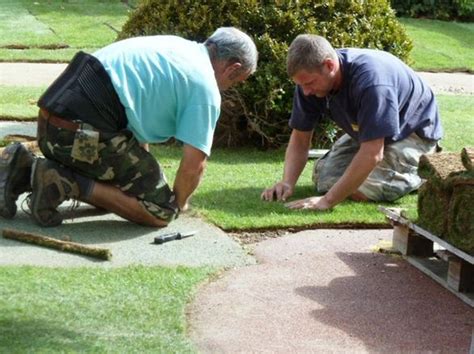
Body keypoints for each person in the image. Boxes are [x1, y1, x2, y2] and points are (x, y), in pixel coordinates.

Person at [0, 27, 258, 227]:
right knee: (160, 211)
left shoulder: (174, 46)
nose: (231, 87)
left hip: (51, 126)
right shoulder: (204, 87)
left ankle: (22, 165)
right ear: (233, 69)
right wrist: (176, 205)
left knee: (119, 192)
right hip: (77, 134)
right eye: (238, 81)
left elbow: (131, 118)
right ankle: (60, 179)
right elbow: (194, 165)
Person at [261, 34, 442, 210]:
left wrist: (326, 201)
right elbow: (300, 138)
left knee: (362, 190)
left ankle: (423, 171)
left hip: (412, 133)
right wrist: (287, 182)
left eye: (309, 83)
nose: (306, 92)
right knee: (324, 180)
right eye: (301, 85)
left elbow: (373, 152)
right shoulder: (309, 83)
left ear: (330, 65)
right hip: (367, 132)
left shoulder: (372, 82)